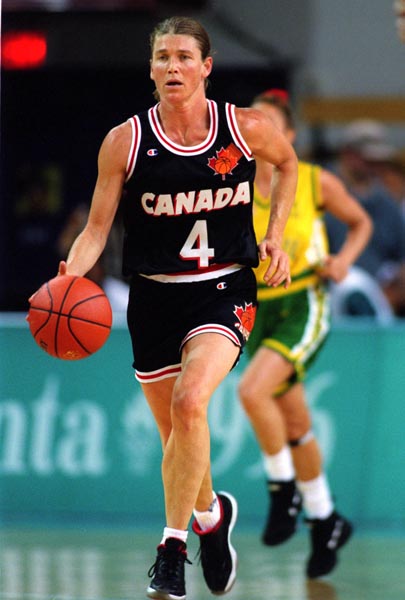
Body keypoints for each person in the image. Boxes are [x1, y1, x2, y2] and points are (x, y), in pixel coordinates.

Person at [31, 18, 298, 600]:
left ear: (206, 66)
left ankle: (172, 549)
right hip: (153, 296)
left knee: (190, 401)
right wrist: (68, 277)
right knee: (176, 431)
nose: (172, 66)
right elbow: (97, 230)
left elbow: (288, 164)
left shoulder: (244, 127)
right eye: (161, 57)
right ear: (150, 69)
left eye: (183, 56)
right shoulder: (125, 141)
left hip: (224, 287)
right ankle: (209, 517)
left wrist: (274, 236)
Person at [238, 90, 372, 578]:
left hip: (303, 300)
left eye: (271, 123)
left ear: (288, 137)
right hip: (256, 310)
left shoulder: (314, 180)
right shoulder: (231, 185)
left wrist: (344, 260)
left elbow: (361, 223)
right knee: (295, 423)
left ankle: (283, 491)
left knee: (253, 392)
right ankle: (325, 518)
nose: (260, 130)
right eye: (253, 122)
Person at [325, 119, 405, 317]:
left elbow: (401, 254)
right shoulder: (324, 190)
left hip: (383, 292)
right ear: (348, 154)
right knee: (353, 288)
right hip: (332, 288)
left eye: (378, 161)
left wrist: (396, 286)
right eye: (368, 159)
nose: (374, 167)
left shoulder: (386, 202)